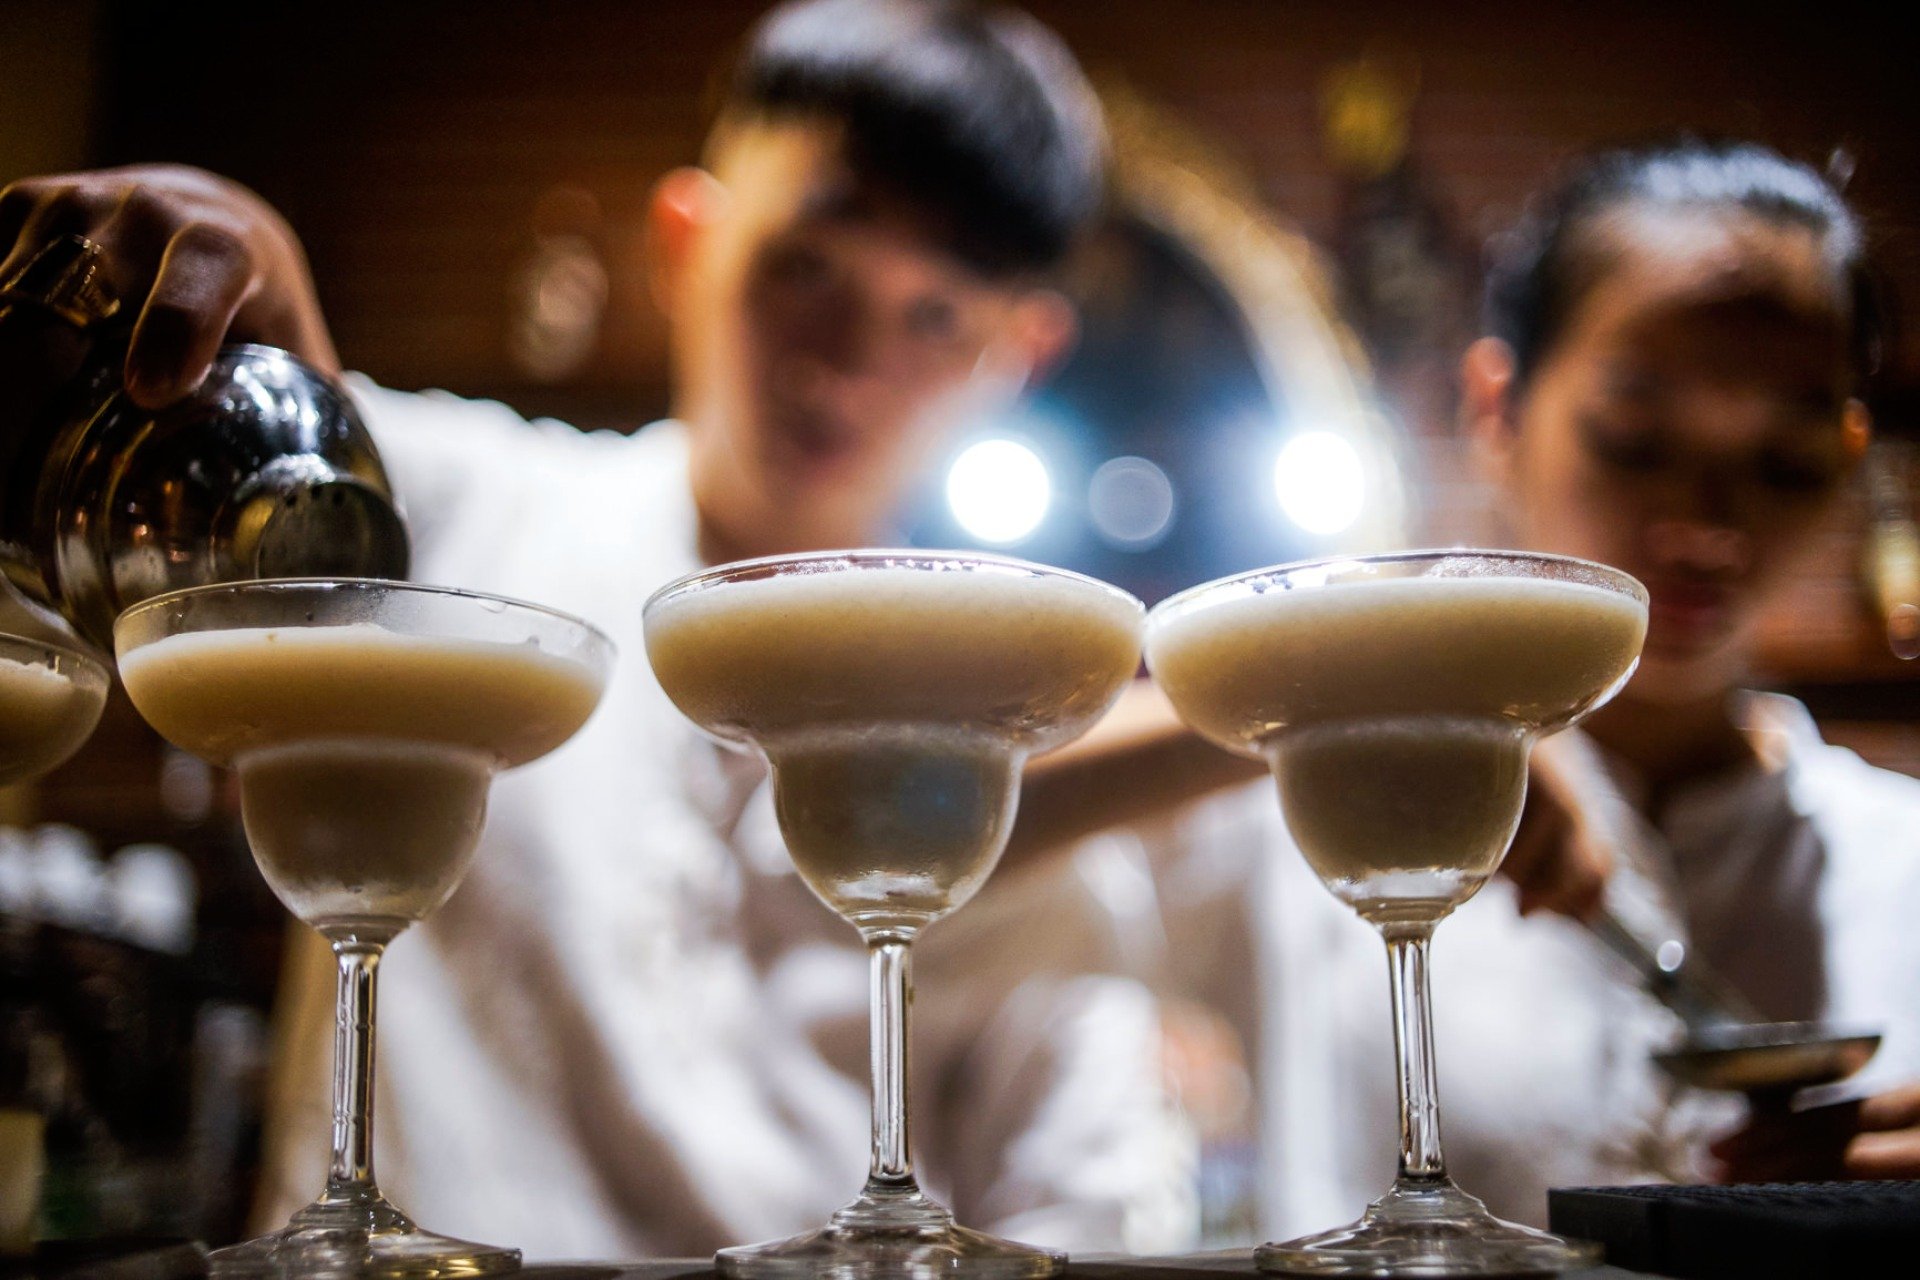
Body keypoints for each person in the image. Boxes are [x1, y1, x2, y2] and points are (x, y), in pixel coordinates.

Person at [0, 0, 1192, 1260]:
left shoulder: (1022, 760)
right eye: (805, 266)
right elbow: (104, 540)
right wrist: (181, 352)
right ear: (686, 241)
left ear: (1022, 350)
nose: (847, 361)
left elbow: (1087, 1193)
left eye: (937, 314)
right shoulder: (439, 513)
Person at [1087, 137, 1920, 1236]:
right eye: (1636, 438)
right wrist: (1341, 710)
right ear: (1498, 407)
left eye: (1784, 458)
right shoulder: (1296, 808)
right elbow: (953, 830)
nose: (1710, 521)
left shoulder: (1902, 859)